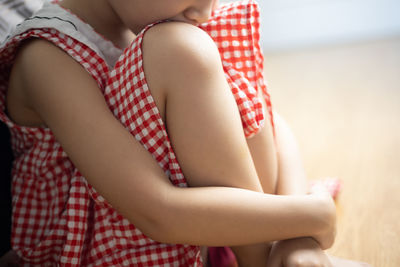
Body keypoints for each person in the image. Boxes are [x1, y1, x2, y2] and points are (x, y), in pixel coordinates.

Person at [0, 0, 369, 266]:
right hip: (112, 248)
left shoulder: (155, 13)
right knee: (179, 47)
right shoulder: (47, 58)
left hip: (209, 234)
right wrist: (312, 216)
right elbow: (156, 211)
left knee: (197, 46)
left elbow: (269, 122)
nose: (205, 11)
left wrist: (296, 240)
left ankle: (270, 255)